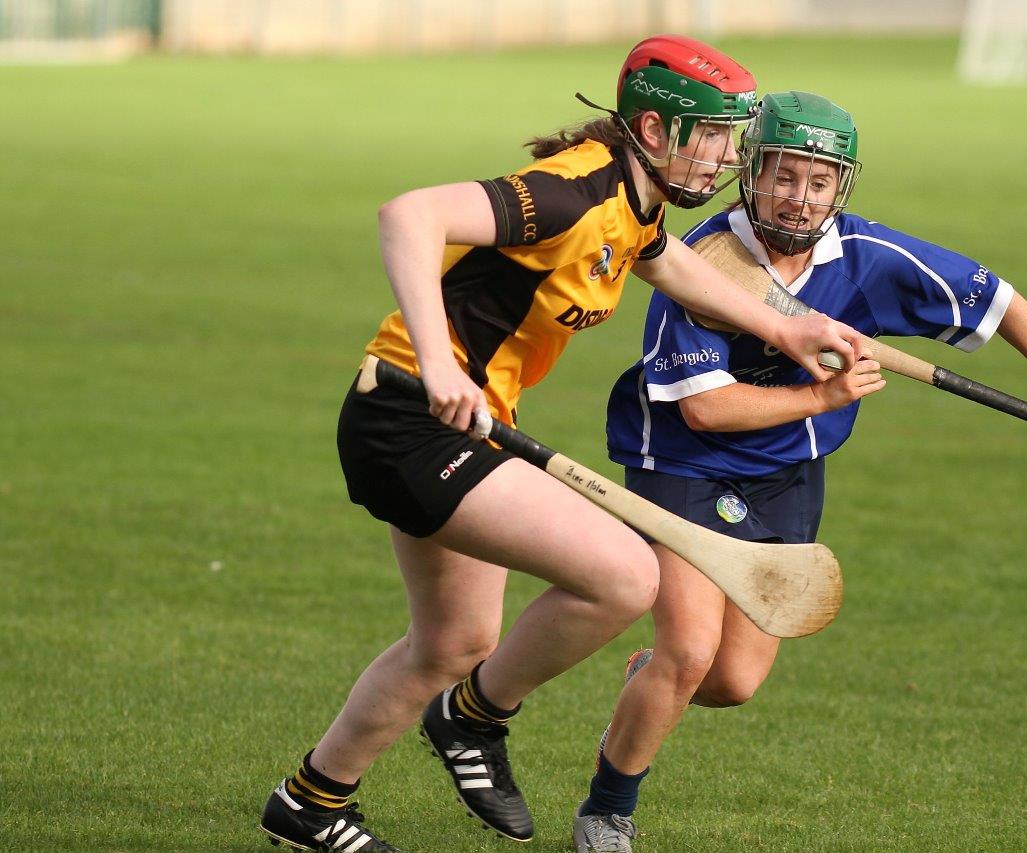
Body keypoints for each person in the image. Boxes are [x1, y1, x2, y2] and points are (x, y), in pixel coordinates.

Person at [258, 41, 868, 853]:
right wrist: (439, 363)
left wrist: (780, 326)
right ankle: (476, 716)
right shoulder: (571, 191)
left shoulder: (634, 197)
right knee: (623, 573)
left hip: (463, 424)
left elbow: (665, 261)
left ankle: (311, 802)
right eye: (713, 136)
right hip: (410, 417)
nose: (726, 156)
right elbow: (408, 214)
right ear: (653, 127)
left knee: (454, 642)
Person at [571, 91, 1027, 852]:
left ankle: (647, 681)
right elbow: (706, 412)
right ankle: (605, 809)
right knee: (691, 651)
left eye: (818, 182)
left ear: (840, 187)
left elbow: (1000, 301)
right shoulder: (701, 262)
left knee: (732, 680)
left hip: (788, 476)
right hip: (684, 466)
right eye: (784, 176)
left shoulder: (867, 257)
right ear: (750, 173)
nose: (800, 197)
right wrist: (822, 394)